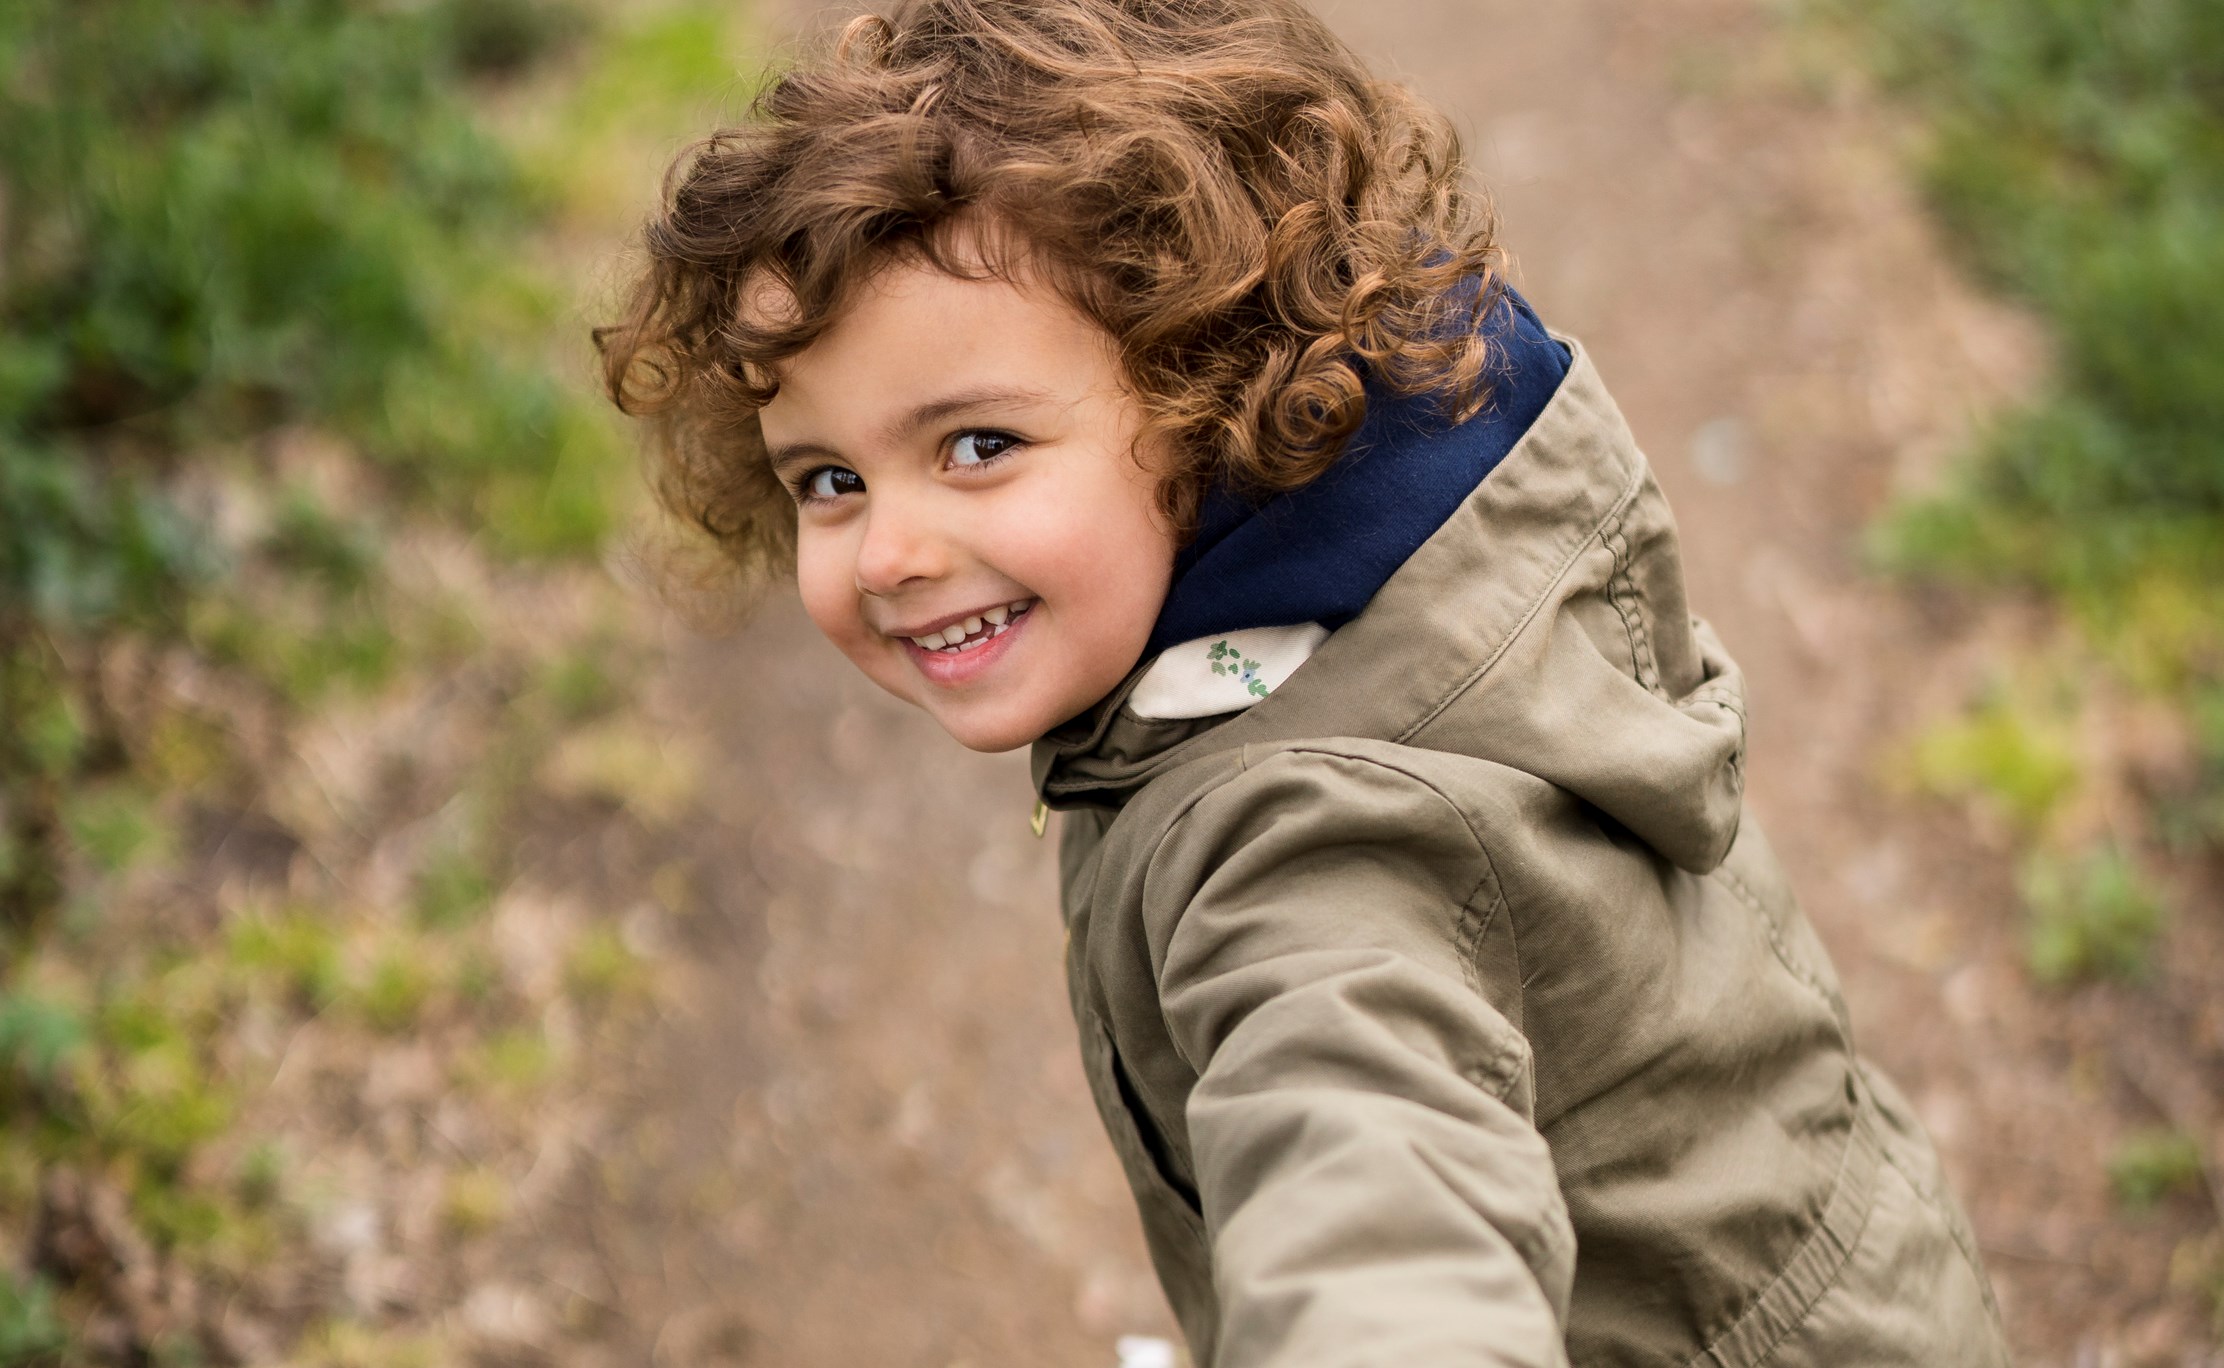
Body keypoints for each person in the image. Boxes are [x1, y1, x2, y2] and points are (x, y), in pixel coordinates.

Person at [600, 1, 2011, 1362]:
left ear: (1196, 381)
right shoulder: (1390, 575)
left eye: (975, 445)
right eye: (830, 481)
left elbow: (1371, 1186)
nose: (891, 551)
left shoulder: (1309, 831)